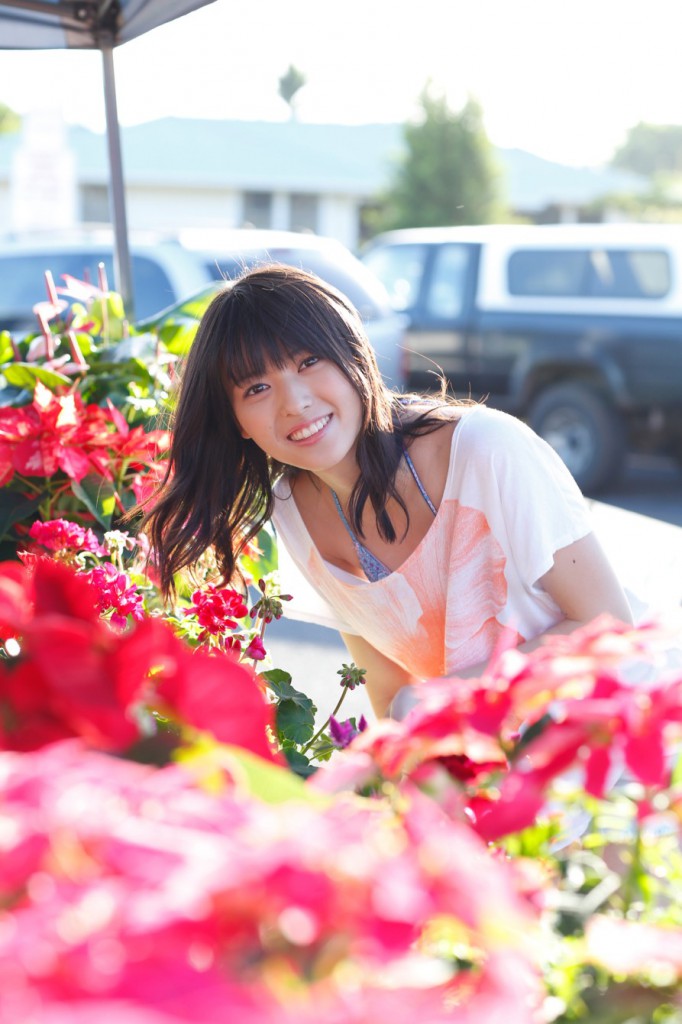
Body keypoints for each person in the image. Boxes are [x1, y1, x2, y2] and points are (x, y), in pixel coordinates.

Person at [143, 265, 633, 720]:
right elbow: (388, 692)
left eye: (309, 361)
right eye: (256, 389)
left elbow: (609, 628)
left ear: (354, 355)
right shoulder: (296, 510)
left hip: (615, 738)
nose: (295, 402)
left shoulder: (485, 450)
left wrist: (442, 698)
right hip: (483, 758)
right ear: (236, 422)